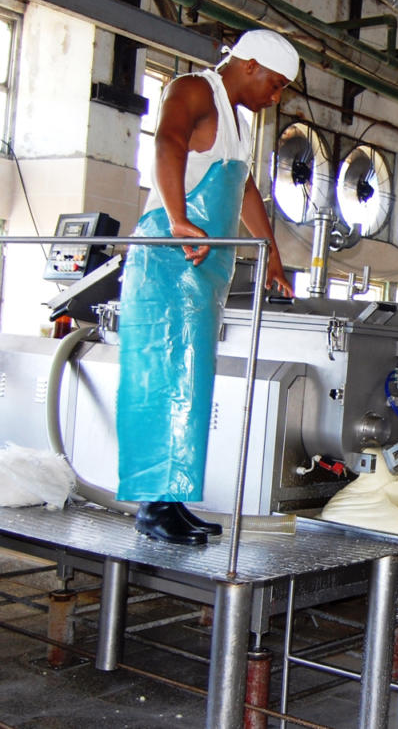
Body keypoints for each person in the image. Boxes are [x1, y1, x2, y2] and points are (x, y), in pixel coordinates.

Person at [116, 30, 298, 545]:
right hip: (169, 254)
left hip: (203, 265)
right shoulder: (194, 89)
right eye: (274, 84)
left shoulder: (240, 126)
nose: (274, 97)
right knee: (161, 375)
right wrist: (177, 217)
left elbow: (244, 189)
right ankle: (153, 504)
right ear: (249, 64)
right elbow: (168, 141)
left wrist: (271, 255)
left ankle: (172, 497)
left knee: (191, 380)